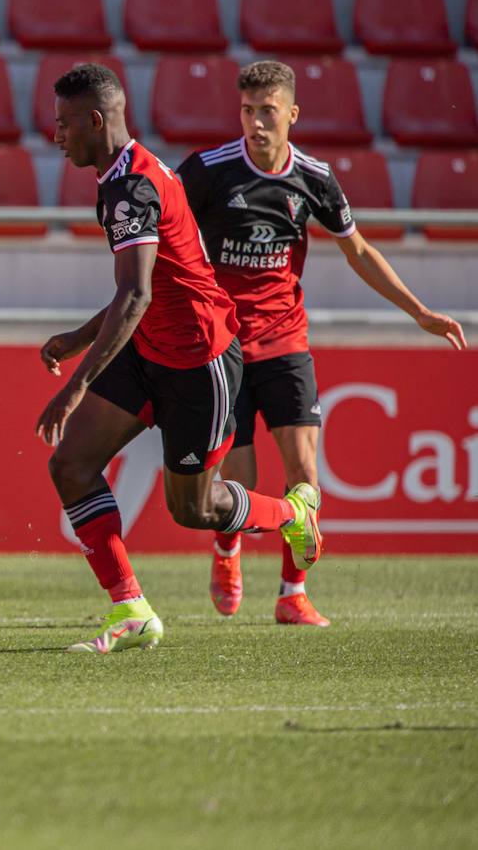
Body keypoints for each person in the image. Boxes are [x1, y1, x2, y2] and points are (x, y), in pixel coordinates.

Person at [36, 63, 322, 655]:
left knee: (194, 510)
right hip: (149, 348)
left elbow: (138, 293)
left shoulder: (133, 185)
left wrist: (76, 385)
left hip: (200, 360)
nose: (56, 135)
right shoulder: (123, 173)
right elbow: (141, 292)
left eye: (64, 124)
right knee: (70, 465)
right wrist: (79, 337)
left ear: (95, 121)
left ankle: (290, 514)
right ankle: (132, 610)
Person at [176, 60, 467, 627]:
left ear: (291, 114)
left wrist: (420, 312)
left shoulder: (313, 178)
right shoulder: (207, 171)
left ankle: (292, 592)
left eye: (266, 111)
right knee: (238, 477)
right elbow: (165, 234)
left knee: (305, 473)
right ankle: (228, 548)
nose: (255, 123)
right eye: (246, 111)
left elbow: (358, 251)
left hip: (285, 340)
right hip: (223, 345)